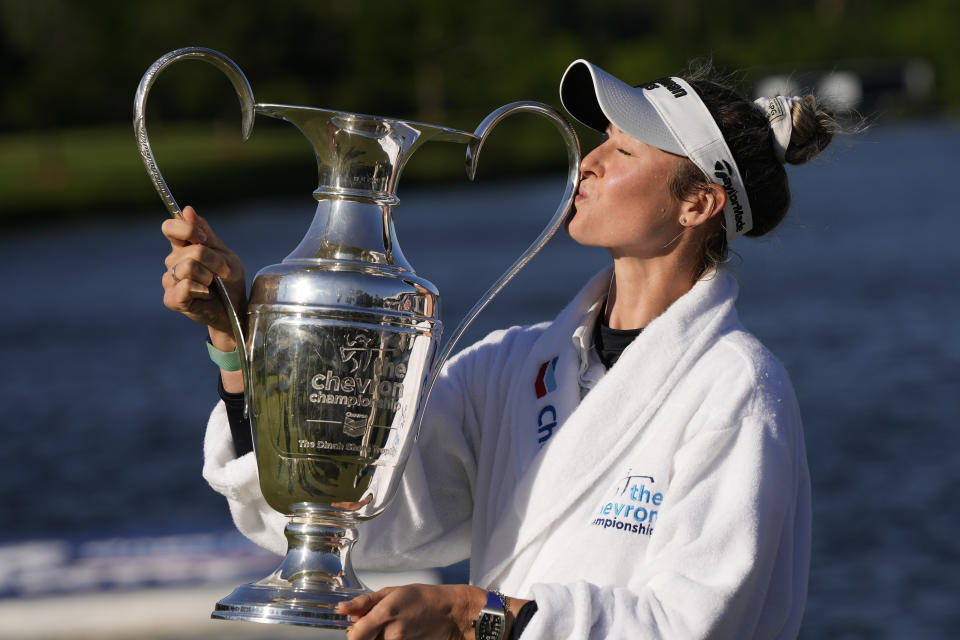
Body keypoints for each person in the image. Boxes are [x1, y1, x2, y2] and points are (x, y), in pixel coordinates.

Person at [161, 59, 836, 639]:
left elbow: (696, 624)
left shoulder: (737, 386)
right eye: (600, 140)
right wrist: (239, 342)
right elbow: (364, 515)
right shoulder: (514, 365)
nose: (589, 162)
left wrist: (475, 616)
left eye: (624, 152)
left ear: (698, 206)